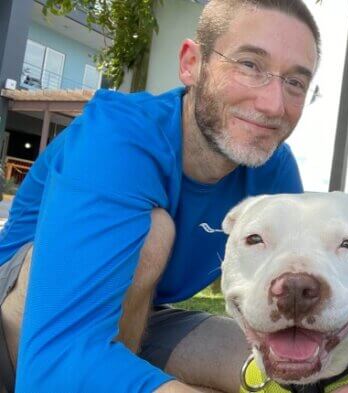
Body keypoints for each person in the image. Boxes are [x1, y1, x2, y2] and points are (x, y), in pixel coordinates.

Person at [0, 0, 321, 391]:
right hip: (29, 316)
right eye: (250, 65)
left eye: (295, 82)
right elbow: (54, 361)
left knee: (293, 370)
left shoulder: (275, 170)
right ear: (192, 64)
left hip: (142, 318)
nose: (273, 104)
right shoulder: (117, 136)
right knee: (153, 232)